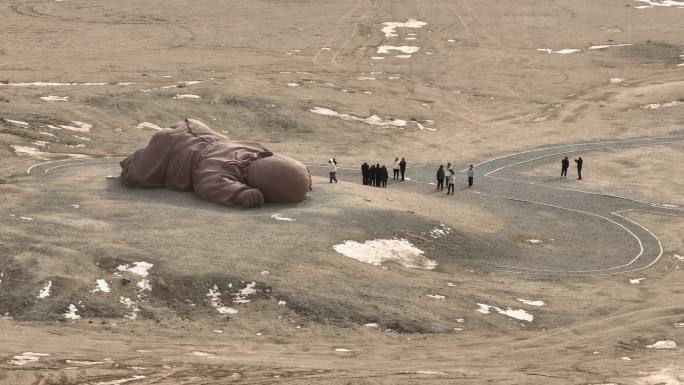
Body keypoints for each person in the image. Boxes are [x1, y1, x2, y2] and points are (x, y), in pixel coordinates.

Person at [120, 118, 310, 208]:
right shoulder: (219, 168)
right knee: (137, 175)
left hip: (199, 130)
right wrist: (239, 192)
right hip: (173, 145)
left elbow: (283, 166)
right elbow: (210, 184)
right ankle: (131, 159)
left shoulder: (255, 150)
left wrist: (299, 175)